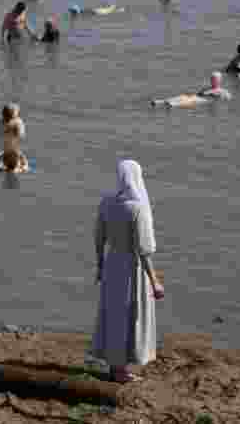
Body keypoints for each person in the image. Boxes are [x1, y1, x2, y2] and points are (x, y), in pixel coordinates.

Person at [90, 159, 163, 384]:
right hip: (132, 268)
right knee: (131, 316)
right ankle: (121, 371)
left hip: (113, 264)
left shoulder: (106, 203)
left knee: (113, 315)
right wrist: (155, 281)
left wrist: (100, 266)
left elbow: (98, 238)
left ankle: (115, 367)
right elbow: (144, 250)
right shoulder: (137, 208)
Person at [151, 72, 232, 107]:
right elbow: (198, 93)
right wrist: (191, 95)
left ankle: (174, 104)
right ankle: (161, 101)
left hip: (205, 101)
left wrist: (219, 97)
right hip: (197, 97)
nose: (213, 81)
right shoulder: (206, 88)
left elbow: (228, 98)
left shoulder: (223, 91)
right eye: (212, 79)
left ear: (220, 80)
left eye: (215, 79)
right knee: (183, 96)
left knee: (190, 101)